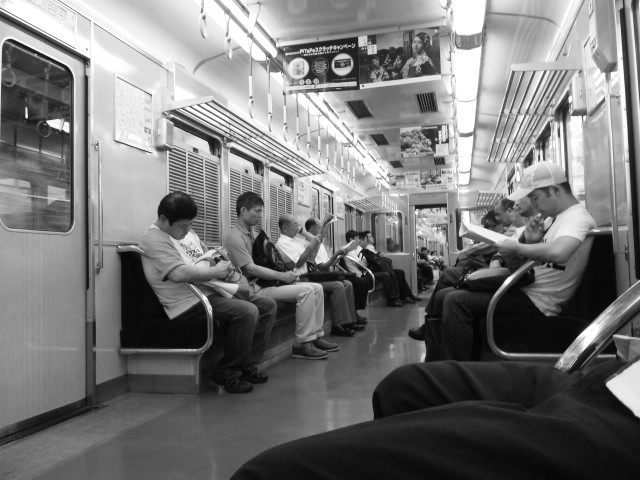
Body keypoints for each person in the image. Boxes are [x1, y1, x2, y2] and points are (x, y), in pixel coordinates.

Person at [230, 359, 640, 480]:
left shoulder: (570, 224)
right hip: (609, 383)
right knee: (404, 385)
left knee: (273, 474)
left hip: (624, 424)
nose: (529, 209)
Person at [427, 162, 596, 361]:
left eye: (535, 197)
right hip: (526, 287)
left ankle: (455, 370)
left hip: (539, 300)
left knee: (456, 301)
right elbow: (538, 261)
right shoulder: (552, 219)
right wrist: (531, 242)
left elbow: (560, 252)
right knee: (446, 294)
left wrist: (518, 248)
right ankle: (440, 360)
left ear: (554, 190)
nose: (534, 205)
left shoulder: (576, 217)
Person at [139, 192, 276, 394]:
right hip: (187, 301)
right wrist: (216, 272)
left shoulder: (187, 233)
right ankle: (227, 372)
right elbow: (178, 274)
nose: (187, 230)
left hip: (210, 289)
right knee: (248, 311)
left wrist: (222, 264)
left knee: (267, 306)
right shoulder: (154, 239)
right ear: (163, 219)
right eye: (183, 226)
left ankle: (247, 364)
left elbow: (206, 256)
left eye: (190, 225)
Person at [223, 192, 338, 360]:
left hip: (267, 282)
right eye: (257, 211)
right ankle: (302, 343)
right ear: (243, 210)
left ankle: (315, 336)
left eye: (261, 211)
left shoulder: (253, 234)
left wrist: (283, 271)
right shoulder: (234, 237)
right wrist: (282, 276)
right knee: (306, 291)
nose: (260, 215)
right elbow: (251, 269)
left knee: (317, 288)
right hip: (255, 286)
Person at [276, 214, 360, 337]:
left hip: (309, 275)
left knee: (347, 283)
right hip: (301, 278)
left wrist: (301, 231)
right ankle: (338, 325)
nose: (298, 227)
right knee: (337, 285)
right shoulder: (283, 243)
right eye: (295, 225)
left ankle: (349, 321)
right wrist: (311, 246)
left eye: (298, 225)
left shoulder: (296, 241)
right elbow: (298, 262)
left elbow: (315, 240)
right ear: (284, 228)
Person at [305, 219, 368, 327]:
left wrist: (340, 255)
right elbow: (323, 267)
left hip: (325, 274)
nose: (323, 231)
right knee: (340, 285)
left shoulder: (320, 245)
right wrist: (337, 254)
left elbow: (329, 264)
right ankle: (340, 324)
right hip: (318, 276)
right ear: (311, 229)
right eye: (320, 228)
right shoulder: (310, 245)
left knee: (348, 284)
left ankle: (351, 320)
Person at [360, 230, 421, 303]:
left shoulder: (372, 249)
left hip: (379, 268)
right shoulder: (366, 250)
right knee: (391, 273)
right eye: (370, 237)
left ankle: (407, 295)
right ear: (365, 239)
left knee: (400, 272)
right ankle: (395, 298)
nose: (372, 237)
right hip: (375, 270)